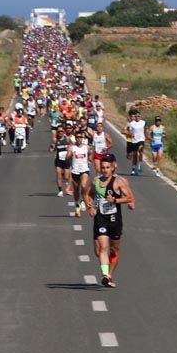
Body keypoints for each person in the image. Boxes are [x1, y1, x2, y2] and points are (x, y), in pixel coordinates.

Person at [86, 153, 135, 288]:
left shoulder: (119, 182)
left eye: (107, 167)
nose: (105, 170)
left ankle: (109, 274)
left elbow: (129, 198)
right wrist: (90, 207)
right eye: (102, 167)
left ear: (112, 168)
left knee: (114, 251)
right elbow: (88, 195)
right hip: (101, 218)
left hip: (115, 220)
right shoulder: (96, 181)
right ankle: (105, 275)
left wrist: (115, 200)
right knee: (102, 248)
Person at [69, 132, 92, 216]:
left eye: (80, 137)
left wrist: (89, 160)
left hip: (84, 170)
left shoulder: (86, 147)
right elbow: (67, 158)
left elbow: (90, 154)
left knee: (83, 185)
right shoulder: (72, 147)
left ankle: (83, 200)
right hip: (75, 171)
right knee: (76, 190)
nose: (79, 138)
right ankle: (77, 204)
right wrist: (70, 155)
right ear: (75, 138)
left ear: (82, 138)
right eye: (77, 137)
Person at [50, 127, 72, 196]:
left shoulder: (67, 138)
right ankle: (60, 191)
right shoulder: (55, 140)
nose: (60, 133)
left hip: (66, 160)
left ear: (63, 132)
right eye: (59, 131)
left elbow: (71, 145)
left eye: (61, 131)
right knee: (58, 175)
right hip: (58, 160)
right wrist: (52, 148)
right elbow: (52, 149)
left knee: (66, 177)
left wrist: (69, 151)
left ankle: (68, 188)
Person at [126, 109, 147, 176]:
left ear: (140, 116)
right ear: (135, 117)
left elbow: (146, 130)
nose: (137, 117)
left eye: (138, 116)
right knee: (135, 155)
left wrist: (147, 136)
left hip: (141, 139)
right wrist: (131, 134)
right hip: (134, 140)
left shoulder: (143, 122)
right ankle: (134, 168)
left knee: (140, 150)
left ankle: (140, 164)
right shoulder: (132, 124)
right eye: (136, 116)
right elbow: (130, 131)